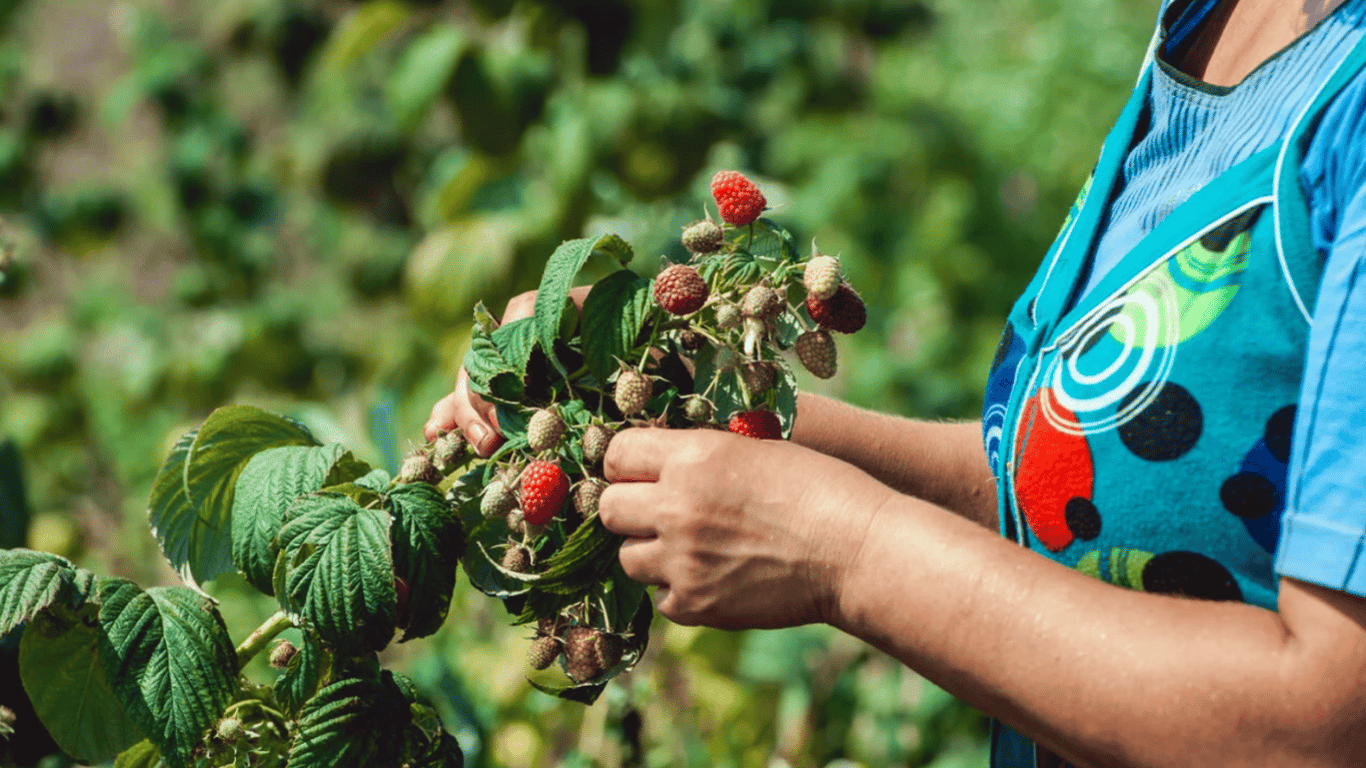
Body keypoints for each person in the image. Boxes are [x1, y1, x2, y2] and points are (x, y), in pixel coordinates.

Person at [427, 0, 1366, 764]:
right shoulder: (1208, 22)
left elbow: (1324, 723)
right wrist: (688, 403)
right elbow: (1080, 487)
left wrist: (848, 553)